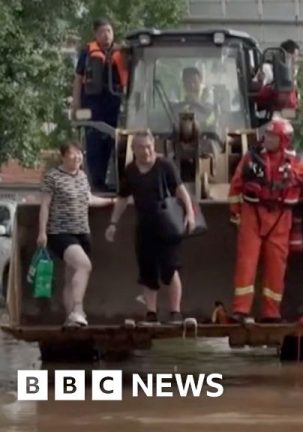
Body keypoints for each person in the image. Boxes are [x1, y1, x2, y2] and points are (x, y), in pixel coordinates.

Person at [105, 130, 196, 325]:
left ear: (153, 146)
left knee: (170, 269)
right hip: (144, 226)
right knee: (147, 272)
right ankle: (151, 313)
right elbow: (122, 198)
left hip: (167, 225)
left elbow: (181, 191)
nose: (146, 151)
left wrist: (190, 214)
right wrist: (113, 223)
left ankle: (175, 312)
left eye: (149, 147)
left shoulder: (165, 165)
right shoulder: (130, 170)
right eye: (141, 147)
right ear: (134, 149)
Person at [228, 118, 303, 324]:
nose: (267, 139)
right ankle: (240, 310)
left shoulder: (295, 161)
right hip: (252, 213)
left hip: (280, 217)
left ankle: (271, 313)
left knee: (276, 265)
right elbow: (236, 184)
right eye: (267, 135)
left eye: (272, 136)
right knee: (246, 262)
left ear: (284, 140)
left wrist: (292, 176)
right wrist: (235, 212)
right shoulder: (251, 157)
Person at [38, 143, 116, 327]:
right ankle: (78, 309)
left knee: (70, 276)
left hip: (82, 231)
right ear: (63, 156)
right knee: (84, 265)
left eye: (80, 154)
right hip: (61, 232)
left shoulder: (82, 176)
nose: (77, 158)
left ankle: (70, 319)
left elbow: (89, 199)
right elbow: (45, 205)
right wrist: (42, 232)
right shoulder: (53, 177)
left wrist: (112, 201)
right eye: (73, 155)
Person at [72, 17, 128, 192]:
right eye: (102, 32)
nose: (106, 35)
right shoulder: (87, 52)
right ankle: (97, 182)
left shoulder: (122, 52)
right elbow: (78, 78)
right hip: (92, 105)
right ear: (96, 34)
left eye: (109, 31)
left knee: (115, 142)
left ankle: (119, 181)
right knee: (94, 142)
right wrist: (76, 103)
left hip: (114, 104)